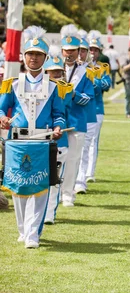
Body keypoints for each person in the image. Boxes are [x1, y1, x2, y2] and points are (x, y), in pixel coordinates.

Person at [0, 26, 67, 248]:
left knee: (40, 187)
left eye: (38, 55)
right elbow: (2, 109)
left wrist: (58, 128)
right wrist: (2, 118)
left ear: (45, 58)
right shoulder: (13, 84)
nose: (33, 59)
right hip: (17, 141)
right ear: (24, 57)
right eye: (30, 54)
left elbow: (59, 115)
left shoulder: (54, 87)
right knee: (19, 187)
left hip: (42, 141)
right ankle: (23, 229)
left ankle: (33, 234)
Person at [61, 25, 94, 206]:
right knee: (56, 159)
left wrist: (73, 93)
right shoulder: (53, 69)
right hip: (56, 121)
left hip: (76, 121)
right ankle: (54, 192)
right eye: (67, 51)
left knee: (73, 160)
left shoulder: (85, 72)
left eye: (73, 51)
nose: (70, 54)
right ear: (62, 51)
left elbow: (88, 98)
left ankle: (68, 194)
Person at [77, 31, 111, 190]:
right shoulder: (75, 67)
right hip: (77, 110)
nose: (92, 52)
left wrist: (93, 78)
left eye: (95, 50)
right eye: (89, 49)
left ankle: (89, 173)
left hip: (95, 108)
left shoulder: (102, 67)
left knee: (91, 143)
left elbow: (106, 85)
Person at [43, 44, 72, 225]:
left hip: (59, 140)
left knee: (54, 179)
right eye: (51, 72)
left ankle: (49, 214)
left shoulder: (65, 88)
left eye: (58, 72)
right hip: (39, 139)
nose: (54, 75)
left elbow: (61, 108)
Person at [74, 30, 99, 195]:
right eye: (80, 50)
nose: (82, 53)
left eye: (85, 50)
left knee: (84, 149)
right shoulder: (64, 67)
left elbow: (95, 89)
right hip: (68, 115)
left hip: (87, 113)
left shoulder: (91, 69)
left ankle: (80, 181)